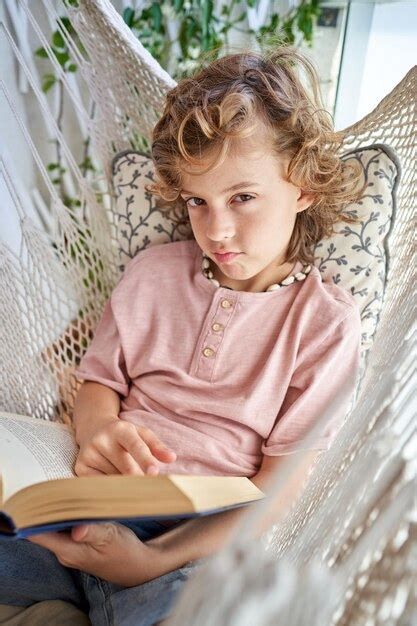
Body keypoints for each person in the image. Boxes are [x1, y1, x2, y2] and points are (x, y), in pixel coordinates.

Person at [0, 45, 364, 625]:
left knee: (200, 606)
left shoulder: (324, 325)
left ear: (304, 187)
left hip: (192, 541)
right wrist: (98, 432)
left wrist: (147, 560)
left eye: (242, 197)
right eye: (198, 201)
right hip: (92, 503)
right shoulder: (153, 274)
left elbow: (279, 489)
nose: (216, 229)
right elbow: (97, 381)